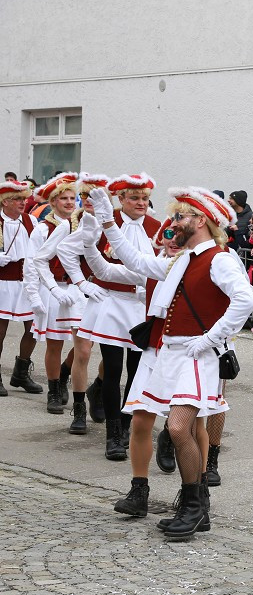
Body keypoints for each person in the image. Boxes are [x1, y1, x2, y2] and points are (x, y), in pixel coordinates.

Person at [87, 185, 253, 539]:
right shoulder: (182, 259)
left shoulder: (219, 258)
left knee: (179, 428)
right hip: (172, 352)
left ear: (201, 219)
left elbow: (245, 300)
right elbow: (134, 260)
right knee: (177, 428)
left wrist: (210, 339)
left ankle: (194, 505)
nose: (173, 222)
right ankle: (196, 506)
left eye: (180, 216)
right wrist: (106, 218)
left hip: (195, 354)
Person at [58, 173, 160, 456]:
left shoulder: (157, 226)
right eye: (134, 198)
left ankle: (126, 424)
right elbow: (67, 249)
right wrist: (82, 282)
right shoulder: (105, 219)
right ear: (121, 199)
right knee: (113, 368)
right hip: (111, 302)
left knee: (137, 370)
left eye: (145, 198)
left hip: (142, 306)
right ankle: (113, 434)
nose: (141, 203)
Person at [22, 172, 83, 414]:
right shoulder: (42, 230)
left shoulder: (83, 226)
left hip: (79, 290)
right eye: (64, 199)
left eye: (72, 198)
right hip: (53, 289)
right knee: (55, 343)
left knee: (83, 345)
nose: (69, 202)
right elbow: (31, 264)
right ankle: (54, 390)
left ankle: (67, 370)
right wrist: (35, 296)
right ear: (53, 202)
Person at [0, 179, 43, 397]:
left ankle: (21, 372)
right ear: (5, 201)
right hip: (2, 282)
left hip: (26, 281)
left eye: (24, 198)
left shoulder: (30, 221)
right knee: (0, 331)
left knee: (33, 328)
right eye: (17, 199)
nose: (22, 202)